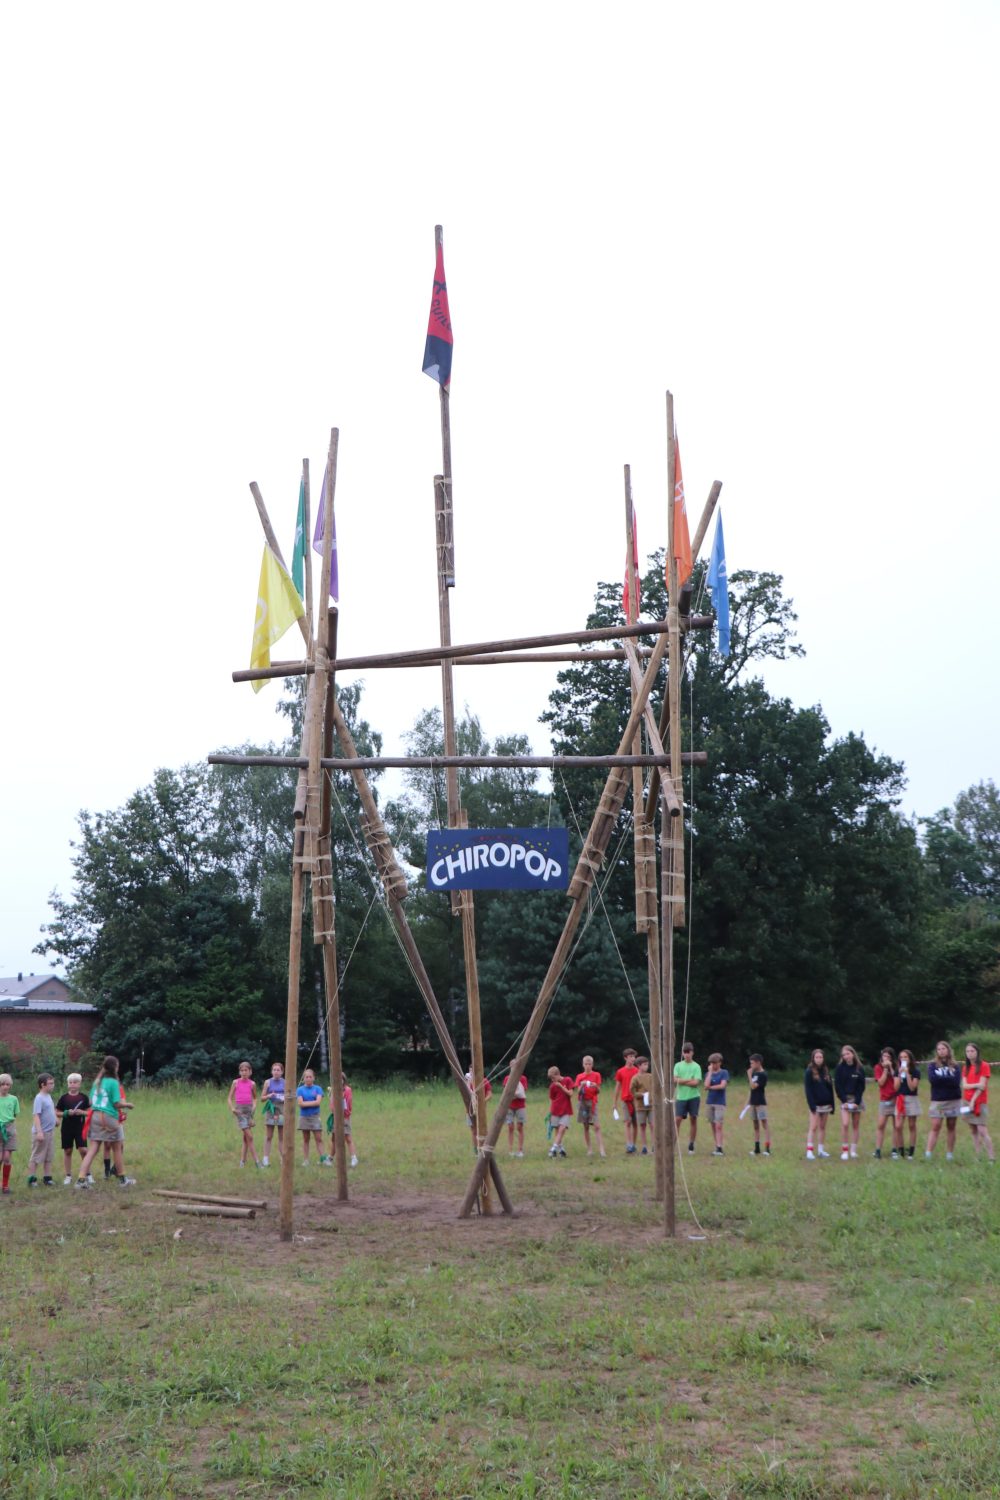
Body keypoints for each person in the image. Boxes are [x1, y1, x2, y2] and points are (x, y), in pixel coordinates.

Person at [75, 1057, 134, 1187]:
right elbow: (117, 1104)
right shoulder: (113, 1082)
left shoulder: (97, 1082)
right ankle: (123, 1179)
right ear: (115, 1067)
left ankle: (81, 1179)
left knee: (93, 1149)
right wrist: (128, 1105)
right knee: (117, 1148)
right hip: (109, 1117)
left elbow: (91, 1101)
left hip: (95, 1116)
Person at [925, 1041, 963, 1161]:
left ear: (948, 1050)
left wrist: (941, 1079)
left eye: (943, 1049)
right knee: (936, 1125)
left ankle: (949, 1154)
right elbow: (933, 1080)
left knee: (951, 1126)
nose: (941, 1051)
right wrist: (948, 1078)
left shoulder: (955, 1065)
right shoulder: (932, 1065)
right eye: (939, 1049)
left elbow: (956, 1082)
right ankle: (928, 1153)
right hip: (939, 1100)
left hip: (953, 1099)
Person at [961, 1043, 995, 1163]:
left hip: (980, 1102)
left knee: (982, 1130)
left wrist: (973, 1101)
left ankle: (991, 1157)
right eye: (968, 1051)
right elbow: (965, 1085)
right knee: (973, 1130)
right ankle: (978, 1155)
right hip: (966, 1101)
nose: (970, 1053)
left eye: (972, 1051)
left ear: (977, 1052)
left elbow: (982, 1086)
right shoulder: (966, 1067)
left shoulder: (984, 1066)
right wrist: (975, 1085)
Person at [55, 1072, 89, 1185]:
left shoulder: (84, 1097)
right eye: (70, 1082)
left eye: (75, 1082)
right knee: (68, 1150)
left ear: (80, 1084)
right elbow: (57, 1112)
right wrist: (66, 1113)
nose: (72, 1084)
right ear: (67, 1084)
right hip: (67, 1128)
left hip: (80, 1128)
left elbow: (90, 1112)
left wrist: (82, 1112)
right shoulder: (63, 1098)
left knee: (83, 1150)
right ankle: (68, 1176)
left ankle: (87, 1174)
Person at [834, 1045, 866, 1160]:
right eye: (844, 1055)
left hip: (856, 1099)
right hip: (845, 1099)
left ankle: (853, 1151)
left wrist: (857, 1101)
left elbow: (861, 1086)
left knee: (855, 1125)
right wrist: (844, 1101)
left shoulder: (859, 1068)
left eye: (848, 1053)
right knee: (845, 1124)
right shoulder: (840, 1068)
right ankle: (845, 1151)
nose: (846, 1056)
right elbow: (838, 1085)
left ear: (852, 1054)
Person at [227, 1061, 260, 1168]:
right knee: (250, 1137)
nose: (244, 1072)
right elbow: (229, 1098)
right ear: (239, 1072)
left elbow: (255, 1098)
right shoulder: (235, 1082)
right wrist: (233, 1109)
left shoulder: (252, 1084)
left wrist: (254, 1107)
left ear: (250, 1072)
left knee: (246, 1139)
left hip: (249, 1111)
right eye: (242, 1070)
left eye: (246, 1070)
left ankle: (242, 1162)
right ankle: (257, 1162)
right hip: (239, 1111)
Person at [322, 1074, 359, 1169]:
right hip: (336, 1117)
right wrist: (332, 1097)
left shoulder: (347, 1090)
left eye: (341, 1079)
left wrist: (339, 1099)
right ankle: (330, 1158)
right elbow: (332, 1106)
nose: (339, 1081)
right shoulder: (333, 1090)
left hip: (344, 1117)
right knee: (334, 1139)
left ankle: (354, 1158)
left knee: (348, 1138)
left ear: (344, 1080)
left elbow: (348, 1105)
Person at [28, 1072, 57, 1187]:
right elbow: (36, 1115)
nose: (53, 1085)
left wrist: (55, 1119)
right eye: (50, 1083)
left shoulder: (48, 1096)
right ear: (42, 1085)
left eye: (53, 1083)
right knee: (36, 1156)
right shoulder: (39, 1098)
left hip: (50, 1132)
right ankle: (32, 1179)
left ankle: (47, 1178)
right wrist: (39, 1132)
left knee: (48, 1156)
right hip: (41, 1132)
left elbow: (51, 1110)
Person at [804, 1050, 834, 1159]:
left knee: (822, 1127)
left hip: (826, 1104)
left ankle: (821, 1150)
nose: (819, 1059)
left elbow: (830, 1088)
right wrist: (812, 1105)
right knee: (813, 1127)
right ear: (813, 1058)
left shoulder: (826, 1071)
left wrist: (832, 1104)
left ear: (823, 1058)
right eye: (816, 1057)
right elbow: (808, 1090)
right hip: (815, 1105)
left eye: (820, 1057)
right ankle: (809, 1151)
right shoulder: (809, 1071)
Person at [673, 1043, 703, 1154]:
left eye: (688, 1052)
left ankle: (691, 1144)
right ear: (682, 1053)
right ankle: (673, 1144)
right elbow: (675, 1080)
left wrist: (681, 1080)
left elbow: (696, 1083)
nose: (686, 1054)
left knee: (693, 1119)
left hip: (694, 1097)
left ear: (692, 1053)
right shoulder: (678, 1065)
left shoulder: (696, 1066)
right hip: (681, 1097)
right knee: (677, 1120)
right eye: (684, 1052)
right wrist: (688, 1080)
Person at [574, 1056, 606, 1158]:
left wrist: (595, 1086)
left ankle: (601, 1149)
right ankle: (589, 1149)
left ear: (592, 1065)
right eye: (586, 1064)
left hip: (593, 1102)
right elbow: (578, 1092)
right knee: (586, 1126)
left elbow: (599, 1091)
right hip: (583, 1103)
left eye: (589, 1064)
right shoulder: (579, 1076)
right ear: (583, 1065)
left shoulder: (596, 1075)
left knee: (597, 1126)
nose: (588, 1066)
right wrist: (582, 1085)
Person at [872, 1048, 900, 1159]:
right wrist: (885, 1070)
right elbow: (881, 1083)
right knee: (881, 1125)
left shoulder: (897, 1067)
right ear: (881, 1057)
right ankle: (878, 1150)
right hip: (884, 1100)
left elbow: (897, 1080)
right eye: (885, 1056)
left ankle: (894, 1150)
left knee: (896, 1126)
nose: (887, 1058)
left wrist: (891, 1068)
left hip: (896, 1099)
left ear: (892, 1058)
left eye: (889, 1056)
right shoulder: (878, 1067)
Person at [894, 1049, 921, 1158]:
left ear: (910, 1059)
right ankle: (901, 1151)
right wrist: (899, 1075)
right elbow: (896, 1088)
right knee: (898, 1126)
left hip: (911, 1098)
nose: (903, 1059)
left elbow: (912, 1087)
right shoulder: (897, 1071)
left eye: (905, 1057)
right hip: (900, 1098)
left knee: (911, 1125)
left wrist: (908, 1074)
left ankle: (911, 1151)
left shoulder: (915, 1071)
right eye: (901, 1057)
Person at [613, 1048, 640, 1154]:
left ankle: (633, 1144)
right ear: (625, 1058)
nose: (633, 1059)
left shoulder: (637, 1071)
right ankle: (629, 1144)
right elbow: (617, 1087)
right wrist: (614, 1103)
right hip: (625, 1100)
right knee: (627, 1122)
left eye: (634, 1056)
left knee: (635, 1123)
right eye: (630, 1057)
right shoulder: (620, 1071)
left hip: (636, 1100)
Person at [260, 1062, 286, 1166]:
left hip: (282, 1109)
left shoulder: (285, 1082)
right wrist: (269, 1095)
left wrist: (285, 1098)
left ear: (282, 1072)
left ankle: (283, 1158)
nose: (276, 1072)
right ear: (271, 1071)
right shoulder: (268, 1082)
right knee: (269, 1135)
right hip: (271, 1108)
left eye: (278, 1070)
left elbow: (290, 1096)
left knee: (281, 1136)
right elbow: (262, 1098)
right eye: (274, 1070)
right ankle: (265, 1158)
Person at [296, 1069, 324, 1163]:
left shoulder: (318, 1088)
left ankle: (323, 1158)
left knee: (318, 1138)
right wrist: (313, 1102)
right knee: (306, 1139)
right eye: (306, 1077)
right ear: (303, 1078)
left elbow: (318, 1102)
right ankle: (306, 1160)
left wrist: (305, 1103)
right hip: (304, 1116)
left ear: (313, 1078)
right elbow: (300, 1104)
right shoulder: (300, 1089)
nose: (308, 1079)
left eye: (310, 1077)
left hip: (315, 1116)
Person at [704, 1053, 729, 1157]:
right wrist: (710, 1072)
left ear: (720, 1063)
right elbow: (706, 1085)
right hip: (710, 1102)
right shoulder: (708, 1073)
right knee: (713, 1125)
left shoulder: (724, 1072)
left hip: (720, 1103)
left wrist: (710, 1087)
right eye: (711, 1063)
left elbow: (722, 1086)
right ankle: (717, 1145)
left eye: (715, 1063)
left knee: (718, 1125)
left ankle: (720, 1148)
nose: (713, 1065)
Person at [746, 1054, 770, 1156]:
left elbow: (754, 1086)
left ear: (758, 1063)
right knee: (755, 1125)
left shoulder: (763, 1075)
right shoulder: (755, 1074)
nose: (750, 1065)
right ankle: (757, 1149)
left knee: (764, 1124)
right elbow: (751, 1089)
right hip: (753, 1102)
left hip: (760, 1102)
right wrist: (748, 1101)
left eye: (752, 1063)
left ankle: (767, 1149)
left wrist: (749, 1075)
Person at [546, 1067, 574, 1157]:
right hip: (555, 1110)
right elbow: (552, 1099)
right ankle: (561, 1150)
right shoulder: (552, 1086)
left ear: (558, 1074)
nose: (552, 1080)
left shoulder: (568, 1080)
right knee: (558, 1131)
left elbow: (571, 1094)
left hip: (566, 1110)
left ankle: (553, 1148)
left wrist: (561, 1087)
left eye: (553, 1078)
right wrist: (550, 1113)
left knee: (562, 1128)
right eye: (551, 1079)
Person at [0, 1074, 20, 1195]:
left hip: (10, 1128)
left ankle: (5, 1185)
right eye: (2, 1084)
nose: (5, 1087)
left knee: (7, 1158)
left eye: (7, 1084)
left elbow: (14, 1114)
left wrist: (10, 1127)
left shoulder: (13, 1099)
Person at [630, 1057, 654, 1155]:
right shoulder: (635, 1078)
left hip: (651, 1105)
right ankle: (644, 1147)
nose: (646, 1066)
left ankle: (654, 1146)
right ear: (639, 1066)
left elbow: (655, 1088)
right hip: (640, 1106)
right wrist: (641, 1095)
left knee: (653, 1125)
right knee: (642, 1125)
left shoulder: (651, 1076)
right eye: (644, 1065)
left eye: (647, 1064)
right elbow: (632, 1091)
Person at [503, 1070, 528, 1157]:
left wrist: (513, 1094)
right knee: (510, 1127)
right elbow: (506, 1091)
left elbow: (523, 1091)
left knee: (519, 1127)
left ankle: (520, 1150)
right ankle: (510, 1150)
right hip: (509, 1106)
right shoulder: (507, 1078)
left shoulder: (523, 1078)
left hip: (520, 1106)